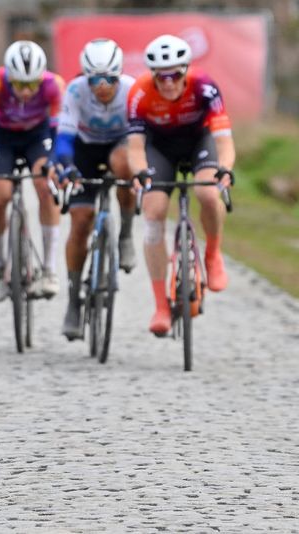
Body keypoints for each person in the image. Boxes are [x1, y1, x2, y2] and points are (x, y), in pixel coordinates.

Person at [127, 34, 235, 336]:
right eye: (161, 77)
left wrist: (224, 167)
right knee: (153, 212)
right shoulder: (139, 93)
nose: (168, 82)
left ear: (186, 70)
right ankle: (161, 305)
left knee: (207, 192)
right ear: (153, 76)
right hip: (159, 148)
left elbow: (223, 139)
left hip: (198, 143)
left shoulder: (205, 87)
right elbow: (135, 147)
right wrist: (140, 172)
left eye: (175, 74)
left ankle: (213, 254)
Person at [53, 39, 137, 340]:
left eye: (110, 79)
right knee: (80, 223)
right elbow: (63, 139)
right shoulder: (75, 91)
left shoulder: (131, 90)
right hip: (85, 152)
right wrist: (65, 165)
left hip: (119, 147)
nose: (103, 86)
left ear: (120, 75)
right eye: (95, 79)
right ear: (86, 77)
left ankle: (126, 232)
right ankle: (74, 300)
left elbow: (143, 139)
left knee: (125, 163)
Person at [0, 40, 63, 302]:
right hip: (1, 137)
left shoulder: (54, 84)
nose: (26, 91)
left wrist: (54, 163)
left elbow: (59, 131)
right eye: (19, 84)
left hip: (38, 136)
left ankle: (49, 269)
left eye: (32, 84)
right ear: (9, 76)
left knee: (46, 185)